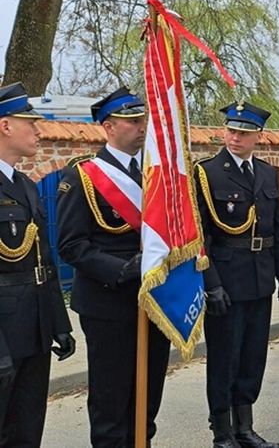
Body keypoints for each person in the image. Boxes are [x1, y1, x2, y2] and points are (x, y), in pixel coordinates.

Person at [57, 87, 168, 448]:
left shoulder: (155, 176)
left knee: (147, 398)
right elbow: (71, 246)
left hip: (153, 301)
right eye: (132, 121)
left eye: (143, 120)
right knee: (112, 400)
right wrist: (121, 270)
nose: (141, 127)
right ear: (108, 126)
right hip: (109, 304)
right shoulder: (83, 177)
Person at [194, 102, 279, 448]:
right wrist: (211, 283)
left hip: (260, 277)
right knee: (224, 356)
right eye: (231, 131)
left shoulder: (264, 173)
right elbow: (200, 235)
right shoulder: (207, 173)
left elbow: (277, 229)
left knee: (252, 355)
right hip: (226, 280)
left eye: (244, 133)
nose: (235, 138)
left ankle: (244, 427)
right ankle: (222, 431)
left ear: (257, 137)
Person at [0, 82, 74, 447]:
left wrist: (59, 325)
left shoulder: (27, 186)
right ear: (5, 126)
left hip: (34, 328)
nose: (39, 129)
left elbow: (43, 262)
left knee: (27, 428)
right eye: (30, 121)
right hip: (4, 332)